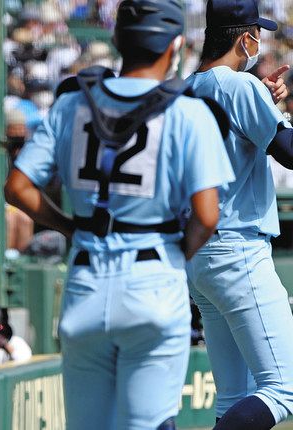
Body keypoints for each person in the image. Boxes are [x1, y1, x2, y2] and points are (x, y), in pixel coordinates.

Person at [5, 1, 235, 428]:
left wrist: (72, 226)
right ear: (175, 45)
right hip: (153, 276)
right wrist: (175, 252)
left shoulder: (72, 102)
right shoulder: (189, 111)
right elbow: (207, 215)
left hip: (86, 278)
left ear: (117, 40)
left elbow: (17, 187)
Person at [186, 1, 293, 428]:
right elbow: (288, 153)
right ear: (244, 37)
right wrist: (275, 111)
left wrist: (263, 102)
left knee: (234, 396)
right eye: (256, 32)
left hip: (200, 253)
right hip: (237, 250)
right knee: (284, 388)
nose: (259, 40)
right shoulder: (240, 86)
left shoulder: (188, 87)